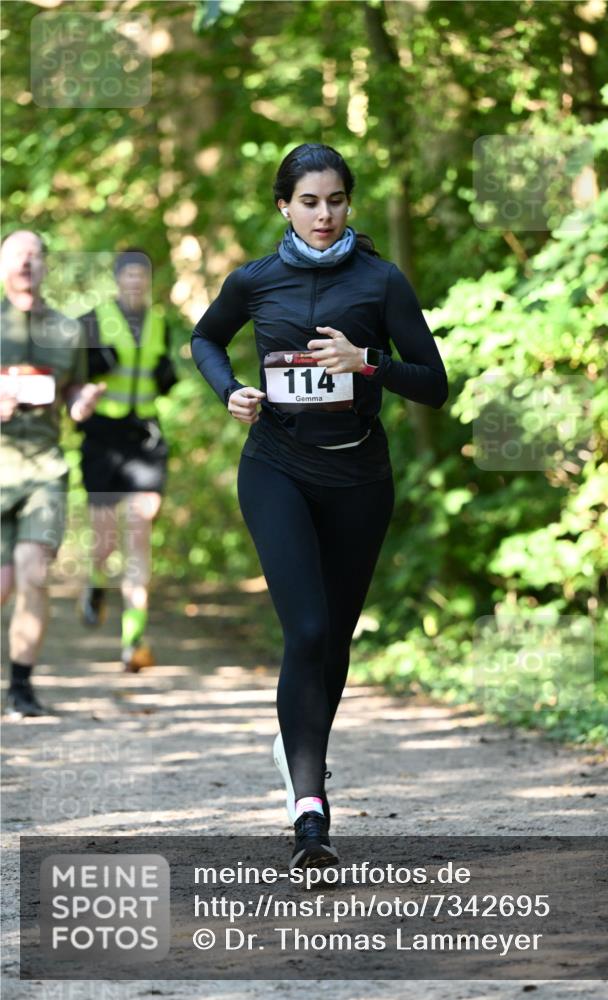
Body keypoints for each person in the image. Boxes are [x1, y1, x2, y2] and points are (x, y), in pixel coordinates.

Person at [192, 143, 447, 868]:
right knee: (304, 629)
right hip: (275, 467)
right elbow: (204, 339)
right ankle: (310, 810)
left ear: (348, 203)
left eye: (335, 200)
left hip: (359, 478)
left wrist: (366, 363)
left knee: (333, 639)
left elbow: (434, 384)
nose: (324, 214)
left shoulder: (380, 281)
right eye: (309, 201)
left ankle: (299, 745)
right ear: (284, 206)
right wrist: (230, 390)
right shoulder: (255, 280)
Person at [1, 230, 105, 718]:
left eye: (34, 256)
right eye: (16, 255)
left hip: (44, 468)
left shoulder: (66, 331)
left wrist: (80, 401)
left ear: (45, 266)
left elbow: (72, 388)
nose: (26, 263)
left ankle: (20, 687)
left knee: (33, 571)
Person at [77, 248, 178, 672]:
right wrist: (97, 364)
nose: (136, 282)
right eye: (129, 275)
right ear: (118, 280)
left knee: (140, 533)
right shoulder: (92, 320)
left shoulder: (160, 325)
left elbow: (162, 372)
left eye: (143, 276)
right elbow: (74, 375)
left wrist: (166, 375)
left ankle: (132, 640)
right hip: (102, 438)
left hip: (144, 438)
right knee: (106, 542)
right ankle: (95, 583)